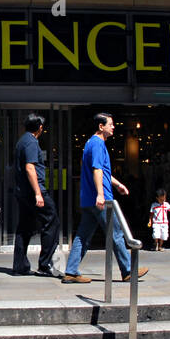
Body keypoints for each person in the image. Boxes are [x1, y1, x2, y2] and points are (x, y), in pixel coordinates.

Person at [62, 113, 146, 284]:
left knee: (82, 236)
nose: (113, 127)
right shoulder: (98, 144)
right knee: (116, 233)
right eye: (110, 124)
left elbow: (103, 172)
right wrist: (101, 194)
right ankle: (128, 270)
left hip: (88, 199)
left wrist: (117, 184)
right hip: (101, 200)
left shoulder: (90, 143)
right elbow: (97, 170)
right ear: (101, 127)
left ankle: (71, 271)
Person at [13, 114, 60, 277]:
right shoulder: (31, 142)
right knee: (52, 221)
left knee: (24, 227)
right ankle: (45, 264)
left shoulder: (22, 141)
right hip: (34, 191)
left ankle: (20, 266)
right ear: (40, 127)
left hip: (23, 192)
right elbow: (30, 168)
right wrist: (38, 193)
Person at [149, 187, 170, 251]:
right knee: (156, 234)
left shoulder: (166, 204)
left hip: (164, 223)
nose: (163, 200)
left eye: (164, 199)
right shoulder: (154, 205)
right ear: (157, 198)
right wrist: (150, 221)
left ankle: (160, 246)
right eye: (161, 199)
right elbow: (151, 214)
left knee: (163, 235)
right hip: (156, 223)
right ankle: (156, 243)